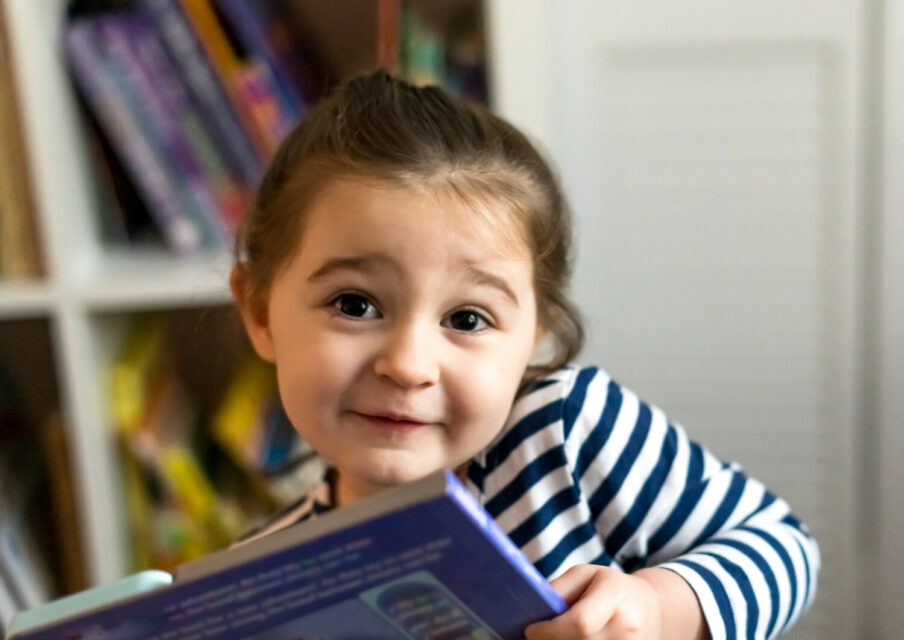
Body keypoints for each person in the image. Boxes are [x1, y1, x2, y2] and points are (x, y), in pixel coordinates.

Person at [229, 70, 818, 640]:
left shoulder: (563, 431)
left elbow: (784, 547)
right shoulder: (254, 584)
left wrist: (663, 610)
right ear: (259, 312)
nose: (408, 365)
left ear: (534, 336)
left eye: (467, 319)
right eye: (355, 305)